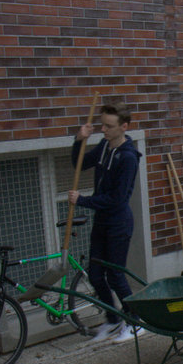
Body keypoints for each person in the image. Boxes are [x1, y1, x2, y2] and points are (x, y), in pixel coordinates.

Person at [69, 102, 144, 343]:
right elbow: (79, 163)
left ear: (124, 127)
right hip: (101, 221)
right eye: (102, 125)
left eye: (109, 126)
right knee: (95, 275)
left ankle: (135, 322)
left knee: (115, 276)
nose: (103, 130)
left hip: (118, 223)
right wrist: (79, 140)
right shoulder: (104, 146)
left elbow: (117, 199)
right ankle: (113, 320)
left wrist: (83, 200)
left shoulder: (128, 158)